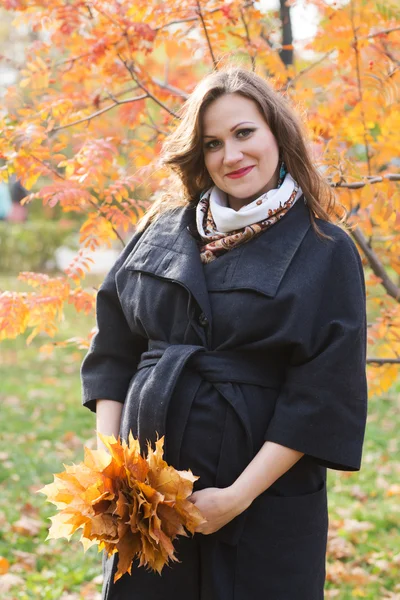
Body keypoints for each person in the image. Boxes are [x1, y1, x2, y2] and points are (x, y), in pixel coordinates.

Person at [80, 66, 368, 600]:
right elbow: (113, 353)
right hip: (145, 499)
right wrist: (112, 470)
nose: (230, 156)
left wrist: (235, 497)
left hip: (260, 499)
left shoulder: (324, 248)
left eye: (244, 133)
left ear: (276, 133)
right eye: (212, 143)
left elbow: (323, 395)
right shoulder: (160, 230)